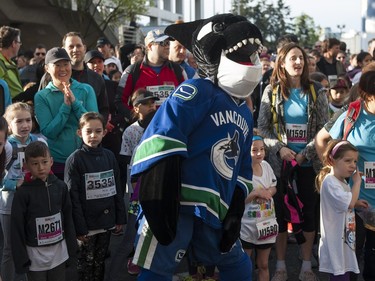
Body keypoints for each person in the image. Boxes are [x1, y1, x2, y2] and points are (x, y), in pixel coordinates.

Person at [130, 14, 264, 281]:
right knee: (157, 271)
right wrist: (159, 193)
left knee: (239, 268)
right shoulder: (197, 90)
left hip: (216, 206)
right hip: (179, 201)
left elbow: (242, 168)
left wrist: (236, 208)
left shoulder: (246, 113)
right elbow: (163, 135)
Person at [257, 42, 329, 281]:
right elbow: (264, 128)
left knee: (308, 216)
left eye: (301, 58)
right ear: (282, 63)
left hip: (308, 165)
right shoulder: (272, 91)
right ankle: (280, 265)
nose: (298, 62)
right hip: (280, 167)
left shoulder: (317, 90)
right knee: (279, 217)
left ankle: (307, 265)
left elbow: (324, 128)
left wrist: (305, 153)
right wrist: (280, 149)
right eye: (293, 58)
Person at [325, 70, 375, 281]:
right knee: (349, 264)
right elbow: (323, 142)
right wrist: (334, 176)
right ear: (366, 95)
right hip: (355, 204)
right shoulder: (352, 116)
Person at [64, 112, 126, 281]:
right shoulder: (75, 160)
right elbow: (72, 197)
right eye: (88, 131)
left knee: (100, 262)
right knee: (85, 264)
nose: (93, 136)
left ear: (104, 132)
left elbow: (117, 189)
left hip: (106, 222)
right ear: (79, 133)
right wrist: (79, 227)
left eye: (98, 131)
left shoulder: (109, 156)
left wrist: (120, 218)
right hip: (87, 225)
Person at [106, 89, 158, 280]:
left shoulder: (159, 128)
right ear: (136, 108)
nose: (152, 106)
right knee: (130, 237)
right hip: (136, 191)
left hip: (154, 190)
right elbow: (126, 163)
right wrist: (131, 193)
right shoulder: (132, 131)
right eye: (147, 103)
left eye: (153, 103)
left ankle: (143, 264)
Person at [10, 141, 77, 281]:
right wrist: (21, 259)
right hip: (35, 257)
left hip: (59, 254)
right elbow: (17, 228)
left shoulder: (61, 187)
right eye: (35, 163)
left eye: (44, 162)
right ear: (26, 165)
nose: (41, 167)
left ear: (51, 161)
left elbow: (68, 218)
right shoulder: (22, 193)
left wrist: (72, 249)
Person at [34, 47, 98, 179]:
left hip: (87, 158)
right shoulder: (42, 96)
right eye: (57, 65)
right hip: (58, 163)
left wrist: (75, 104)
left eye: (65, 64)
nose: (63, 69)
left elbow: (94, 125)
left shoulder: (86, 89)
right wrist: (65, 107)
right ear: (47, 68)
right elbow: (49, 132)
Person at [1, 102, 47, 281]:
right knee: (9, 249)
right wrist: (15, 184)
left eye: (28, 120)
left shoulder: (39, 141)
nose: (25, 125)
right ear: (9, 124)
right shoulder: (6, 146)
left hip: (32, 202)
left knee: (30, 245)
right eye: (18, 121)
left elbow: (45, 167)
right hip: (9, 203)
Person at [115, 29, 187, 119]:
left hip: (172, 128)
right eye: (163, 43)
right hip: (144, 131)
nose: (167, 47)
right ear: (149, 46)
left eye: (168, 43)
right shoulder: (132, 71)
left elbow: (187, 100)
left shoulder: (178, 70)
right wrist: (137, 120)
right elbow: (120, 101)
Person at [315, 140, 361, 281]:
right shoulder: (330, 182)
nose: (353, 165)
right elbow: (349, 203)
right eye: (348, 161)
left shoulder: (341, 182)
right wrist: (357, 182)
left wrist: (357, 203)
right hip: (335, 245)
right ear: (332, 160)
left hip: (342, 243)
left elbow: (345, 202)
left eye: (355, 161)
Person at [240, 133, 277, 281]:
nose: (260, 153)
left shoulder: (266, 166)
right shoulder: (242, 172)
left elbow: (274, 186)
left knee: (264, 265)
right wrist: (256, 193)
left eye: (262, 149)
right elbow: (238, 201)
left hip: (266, 225)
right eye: (254, 150)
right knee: (245, 265)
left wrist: (268, 192)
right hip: (247, 227)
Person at [0, 25, 23, 98]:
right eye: (19, 42)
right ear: (13, 43)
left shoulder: (11, 63)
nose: (20, 45)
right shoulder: (1, 64)